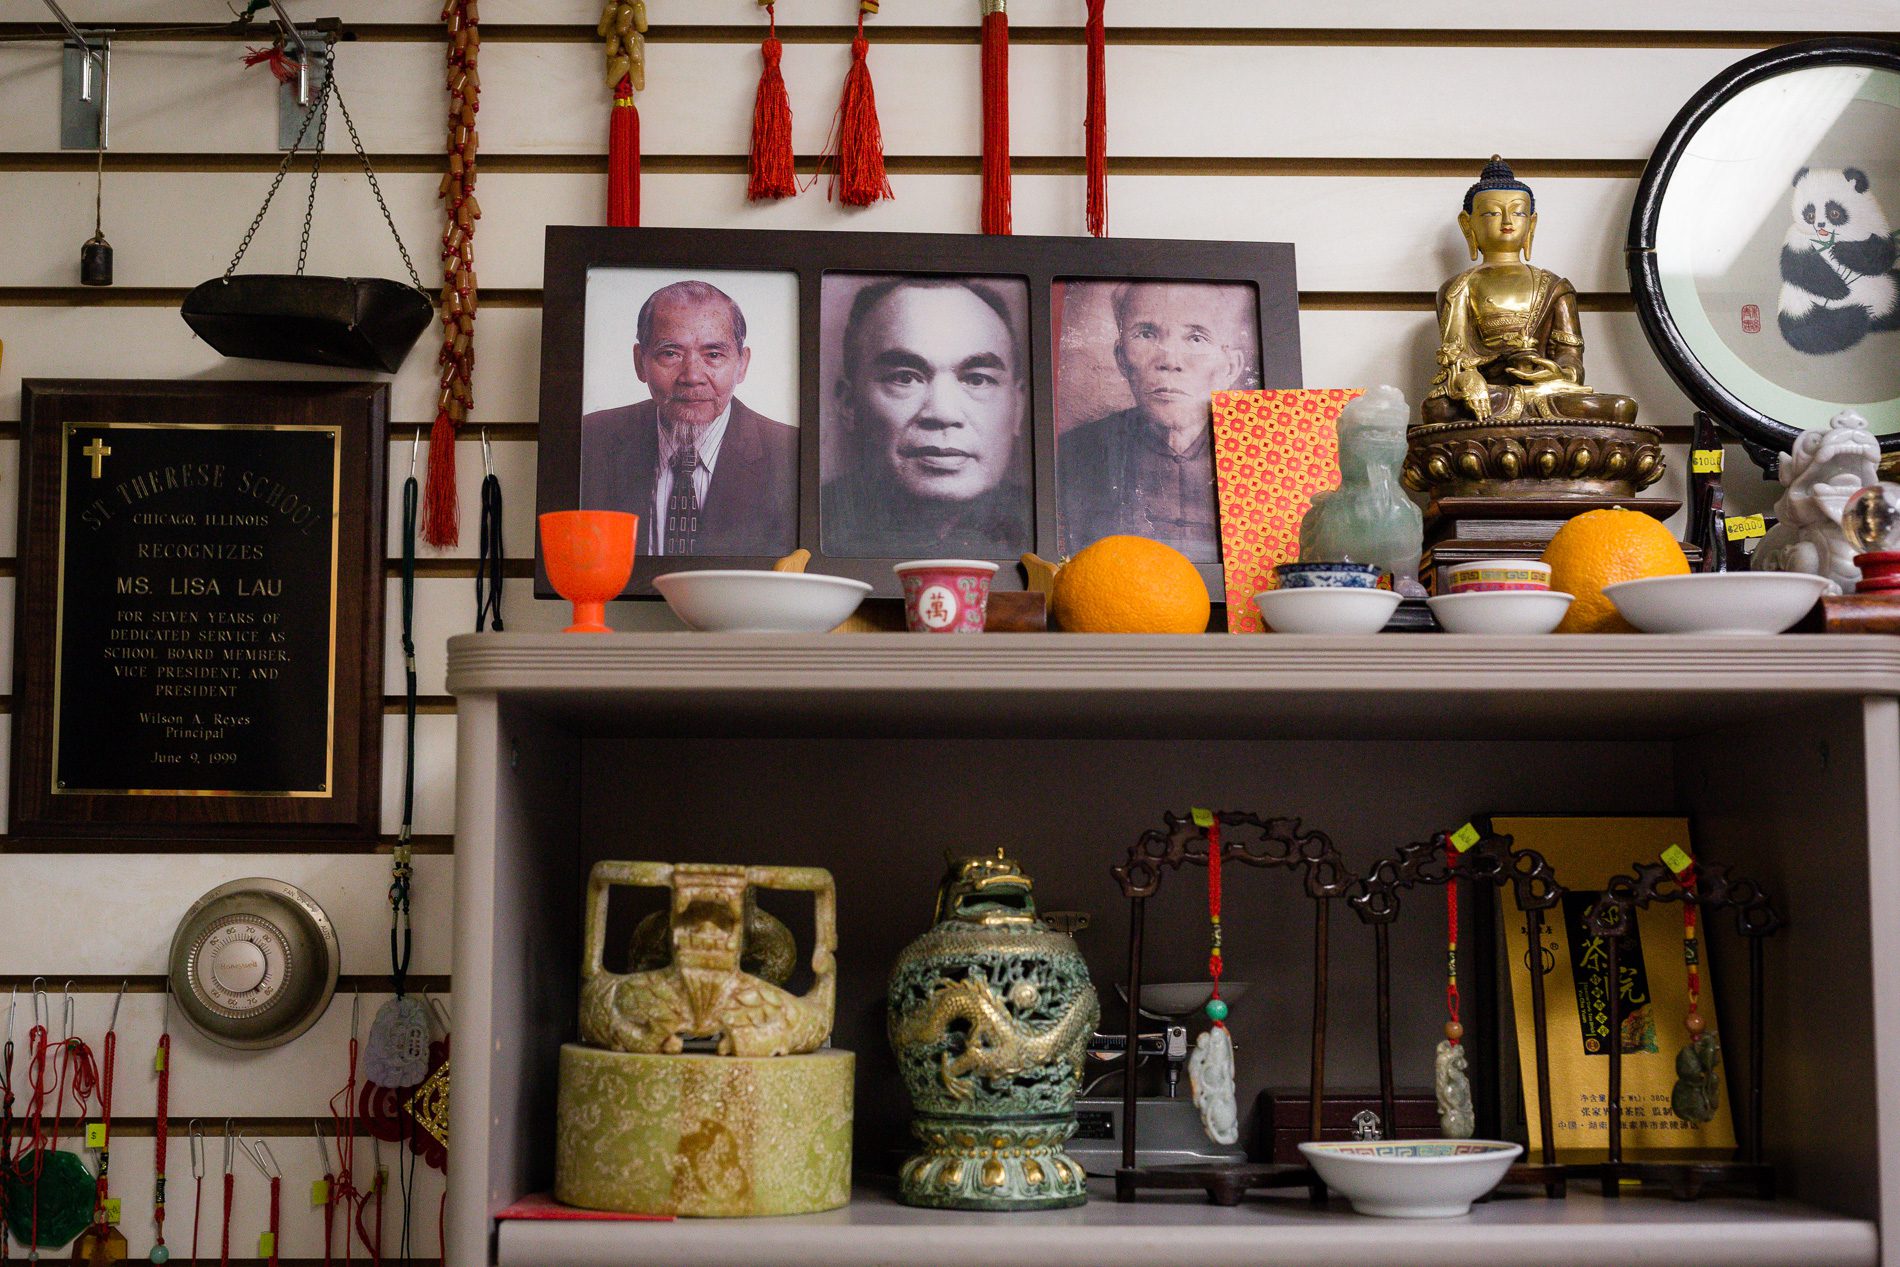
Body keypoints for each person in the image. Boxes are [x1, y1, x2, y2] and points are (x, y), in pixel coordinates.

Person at [581, 279, 798, 557]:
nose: (692, 376)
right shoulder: (591, 441)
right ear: (639, 362)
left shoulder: (790, 452)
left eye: (713, 354)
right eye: (670, 353)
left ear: (742, 365)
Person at [822, 277, 1032, 557]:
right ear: (849, 403)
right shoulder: (815, 523)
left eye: (978, 380)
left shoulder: (1051, 525)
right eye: (905, 378)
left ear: (1017, 407)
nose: (943, 413)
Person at [1057, 282, 1249, 561]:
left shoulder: (1261, 456)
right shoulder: (1073, 453)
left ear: (1230, 366)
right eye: (1145, 334)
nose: (1169, 360)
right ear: (1121, 357)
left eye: (1196, 338)